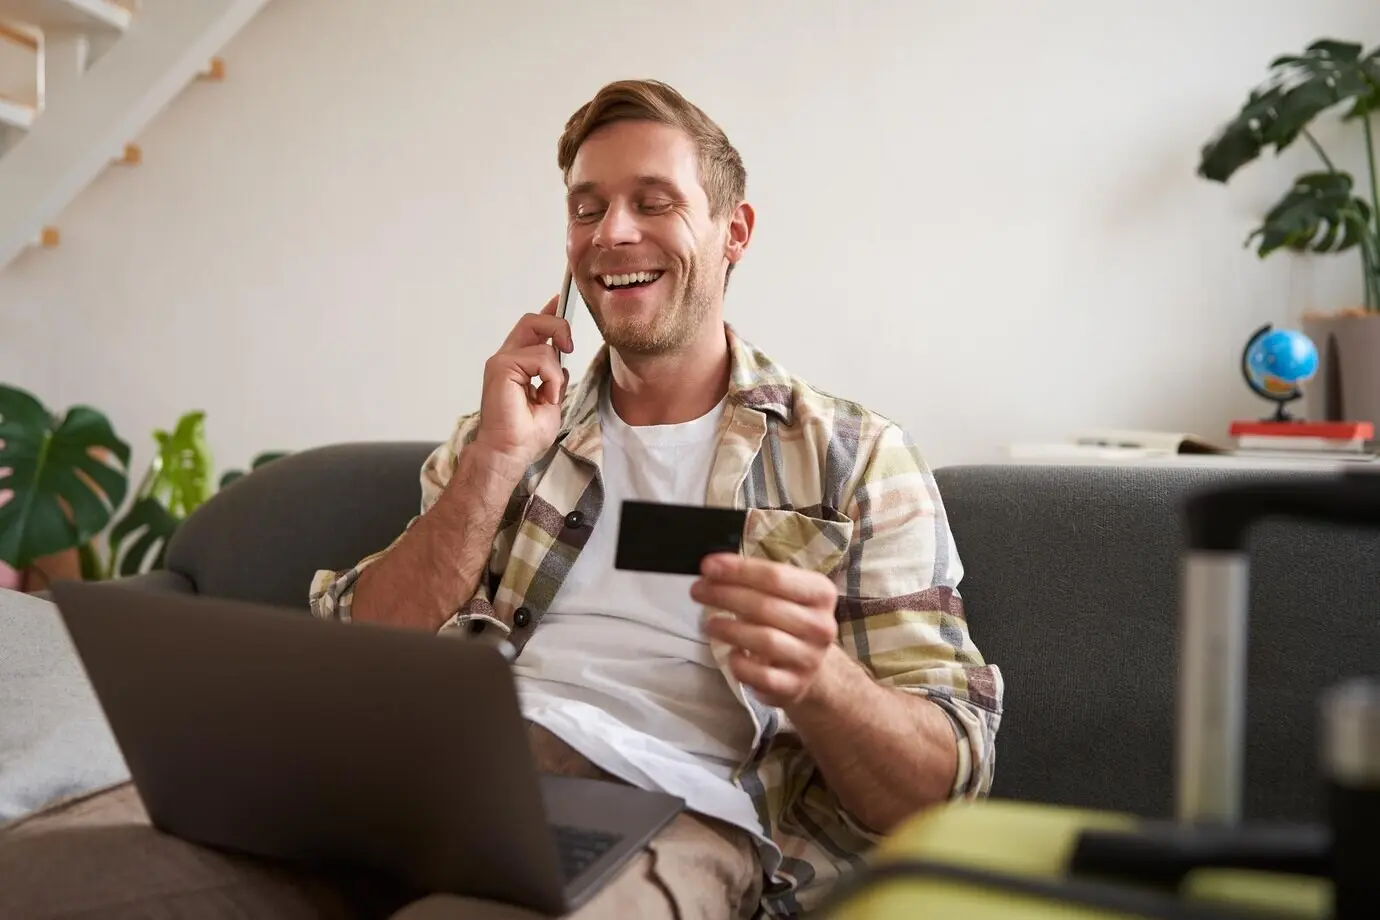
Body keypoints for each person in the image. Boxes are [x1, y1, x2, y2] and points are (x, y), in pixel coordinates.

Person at [0, 79, 1002, 920]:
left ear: (732, 231)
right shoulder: (512, 434)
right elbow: (367, 644)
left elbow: (941, 783)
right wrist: (492, 462)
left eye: (653, 201)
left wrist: (820, 678)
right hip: (425, 776)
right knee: (44, 877)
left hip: (668, 806)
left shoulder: (854, 457)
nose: (612, 232)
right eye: (586, 207)